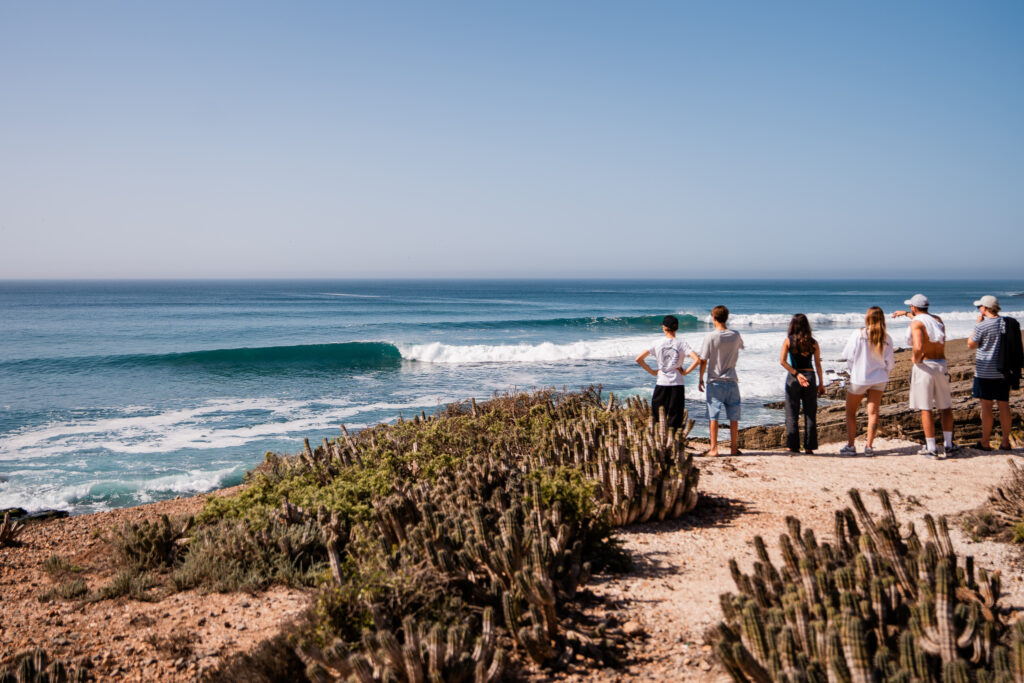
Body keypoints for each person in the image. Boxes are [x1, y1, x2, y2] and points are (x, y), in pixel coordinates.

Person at [892, 294, 960, 458]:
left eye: (910, 308)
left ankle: (931, 448)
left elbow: (919, 346)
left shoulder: (916, 323)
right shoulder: (938, 320)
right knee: (945, 406)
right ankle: (949, 444)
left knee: (926, 407)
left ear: (914, 307)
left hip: (925, 366)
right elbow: (924, 320)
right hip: (941, 364)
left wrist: (916, 359)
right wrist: (905, 314)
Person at [839, 307, 895, 456]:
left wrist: (852, 370)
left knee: (850, 412)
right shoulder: (887, 338)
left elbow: (848, 355)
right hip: (880, 378)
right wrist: (884, 372)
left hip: (860, 378)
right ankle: (869, 447)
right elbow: (890, 363)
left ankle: (851, 445)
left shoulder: (859, 334)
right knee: (873, 412)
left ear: (868, 318)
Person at [636, 315, 700, 430]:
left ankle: (659, 441)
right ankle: (673, 443)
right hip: (677, 382)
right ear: (677, 328)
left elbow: (639, 359)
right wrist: (685, 372)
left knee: (657, 416)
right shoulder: (681, 343)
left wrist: (652, 372)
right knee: (675, 416)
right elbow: (697, 360)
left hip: (661, 382)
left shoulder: (657, 343)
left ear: (664, 327)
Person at [967, 295, 1012, 451]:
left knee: (986, 407)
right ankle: (1006, 442)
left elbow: (971, 344)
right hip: (1004, 372)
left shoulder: (983, 326)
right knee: (1004, 406)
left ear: (985, 308)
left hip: (985, 372)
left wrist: (977, 324)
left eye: (979, 307)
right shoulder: (1007, 323)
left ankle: (985, 442)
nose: (979, 309)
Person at [698, 305, 744, 456]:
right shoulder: (735, 335)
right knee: (734, 416)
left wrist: (700, 378)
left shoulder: (710, 337)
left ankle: (714, 448)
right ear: (727, 317)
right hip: (731, 379)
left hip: (715, 380)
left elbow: (703, 359)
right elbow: (740, 348)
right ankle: (733, 448)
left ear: (713, 317)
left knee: (713, 416)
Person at [779, 314, 825, 454]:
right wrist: (821, 383)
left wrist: (796, 374)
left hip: (794, 378)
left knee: (791, 413)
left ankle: (792, 446)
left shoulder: (788, 341)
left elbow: (782, 361)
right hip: (810, 377)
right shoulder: (813, 342)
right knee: (810, 413)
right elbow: (817, 364)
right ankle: (809, 447)